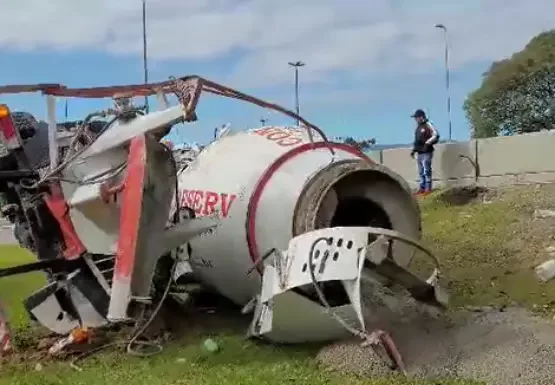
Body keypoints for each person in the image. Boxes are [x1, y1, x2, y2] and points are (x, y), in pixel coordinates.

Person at [410, 109, 439, 195]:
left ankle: (428, 188)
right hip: (420, 153)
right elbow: (417, 141)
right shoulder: (418, 128)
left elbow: (436, 135)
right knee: (421, 171)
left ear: (421, 117)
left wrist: (427, 143)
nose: (415, 119)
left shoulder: (428, 125)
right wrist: (414, 150)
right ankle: (422, 188)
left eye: (416, 117)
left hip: (427, 152)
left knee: (426, 170)